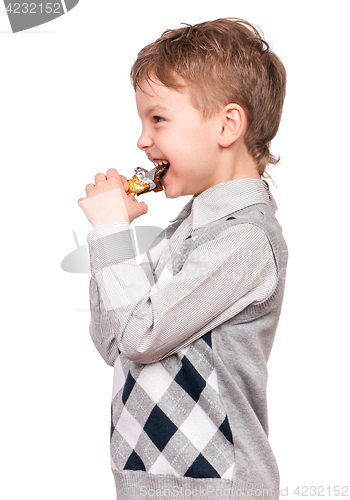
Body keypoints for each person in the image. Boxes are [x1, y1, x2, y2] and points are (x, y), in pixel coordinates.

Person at [78, 18, 288, 500]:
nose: (142, 140)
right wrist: (112, 235)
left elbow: (140, 336)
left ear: (227, 125)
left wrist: (110, 231)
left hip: (217, 487)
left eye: (158, 119)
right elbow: (112, 338)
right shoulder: (185, 231)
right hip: (144, 481)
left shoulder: (246, 240)